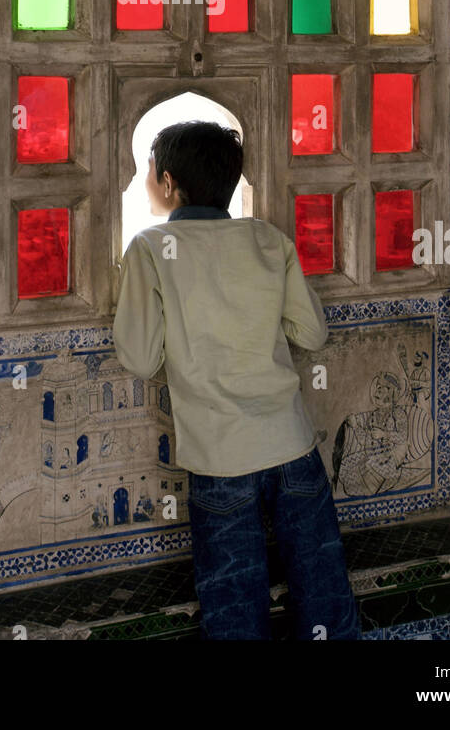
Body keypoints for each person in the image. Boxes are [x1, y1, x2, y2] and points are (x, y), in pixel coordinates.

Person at [112, 120, 360, 641]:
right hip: (292, 449)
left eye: (150, 172)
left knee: (235, 611)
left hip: (220, 460)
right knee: (325, 598)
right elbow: (312, 334)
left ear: (170, 182)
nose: (146, 181)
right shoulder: (266, 238)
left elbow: (138, 357)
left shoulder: (151, 249)